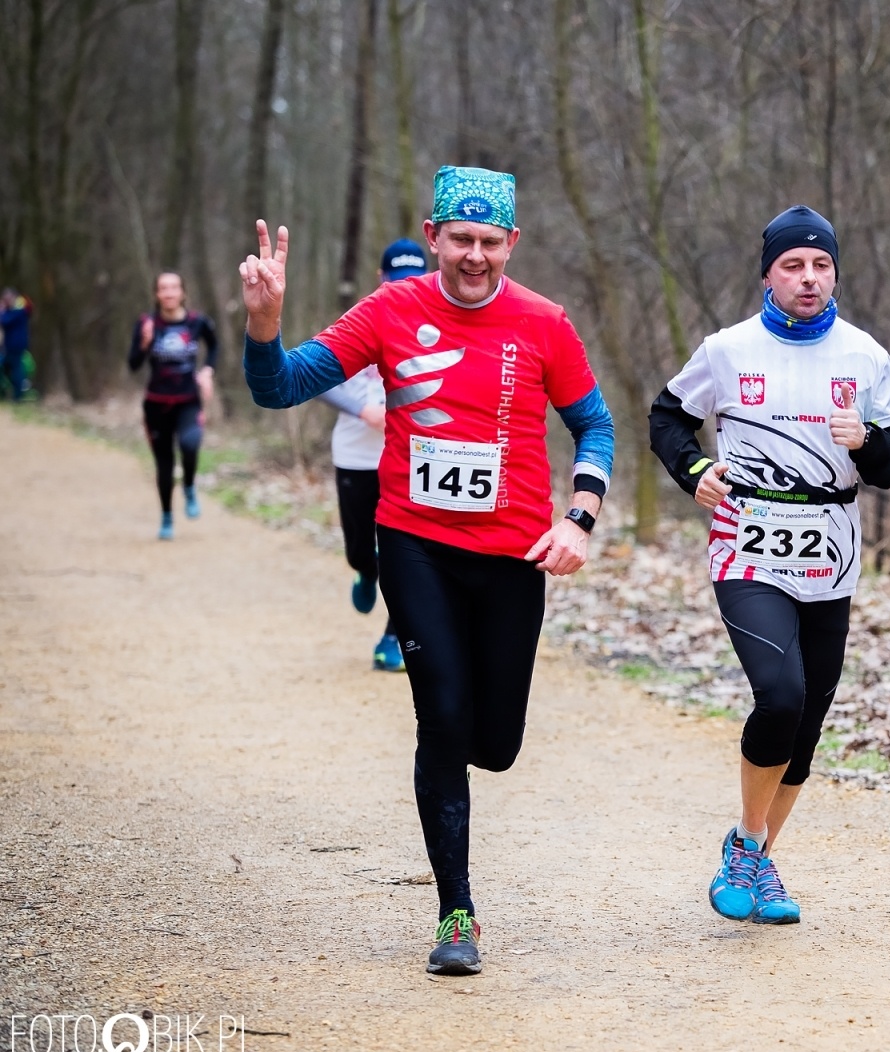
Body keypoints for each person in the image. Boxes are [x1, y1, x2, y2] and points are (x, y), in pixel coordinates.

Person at [238, 166, 615, 976]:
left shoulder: (544, 323)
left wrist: (578, 518)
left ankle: (459, 756)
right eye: (460, 240)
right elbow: (280, 387)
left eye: (489, 242)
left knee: (498, 744)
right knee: (441, 718)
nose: (474, 257)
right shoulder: (391, 310)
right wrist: (264, 322)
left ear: (511, 243)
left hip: (514, 554)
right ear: (433, 235)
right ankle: (456, 913)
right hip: (415, 543)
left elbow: (595, 426)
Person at [649, 205, 890, 925]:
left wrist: (867, 442)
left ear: (835, 273)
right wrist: (694, 466)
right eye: (793, 265)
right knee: (781, 692)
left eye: (821, 264)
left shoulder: (865, 356)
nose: (809, 277)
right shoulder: (728, 349)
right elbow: (666, 416)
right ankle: (747, 845)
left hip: (831, 548)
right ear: (768, 273)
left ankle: (755, 854)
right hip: (748, 540)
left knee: (810, 718)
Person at [315, 238, 431, 672]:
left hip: (412, 461)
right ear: (382, 279)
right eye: (398, 280)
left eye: (415, 280)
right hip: (356, 454)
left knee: (410, 556)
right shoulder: (363, 319)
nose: (407, 289)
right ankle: (366, 570)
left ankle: (393, 639)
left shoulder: (441, 328)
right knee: (362, 551)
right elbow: (316, 377)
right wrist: (362, 409)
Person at [128, 273, 217, 540]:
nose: (168, 293)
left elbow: (214, 346)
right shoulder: (147, 323)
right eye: (163, 288)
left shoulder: (197, 322)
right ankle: (167, 515)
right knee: (164, 464)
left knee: (190, 445)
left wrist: (208, 371)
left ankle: (189, 485)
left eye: (174, 287)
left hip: (188, 401)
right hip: (156, 404)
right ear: (157, 294)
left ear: (183, 292)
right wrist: (144, 344)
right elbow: (133, 365)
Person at [2, 287, 36, 401]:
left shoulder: (18, 309)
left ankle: (19, 395)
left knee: (16, 368)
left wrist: (2, 310)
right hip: (12, 345)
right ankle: (19, 388)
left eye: (7, 298)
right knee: (7, 366)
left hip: (16, 344)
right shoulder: (15, 309)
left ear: (13, 297)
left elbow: (5, 320)